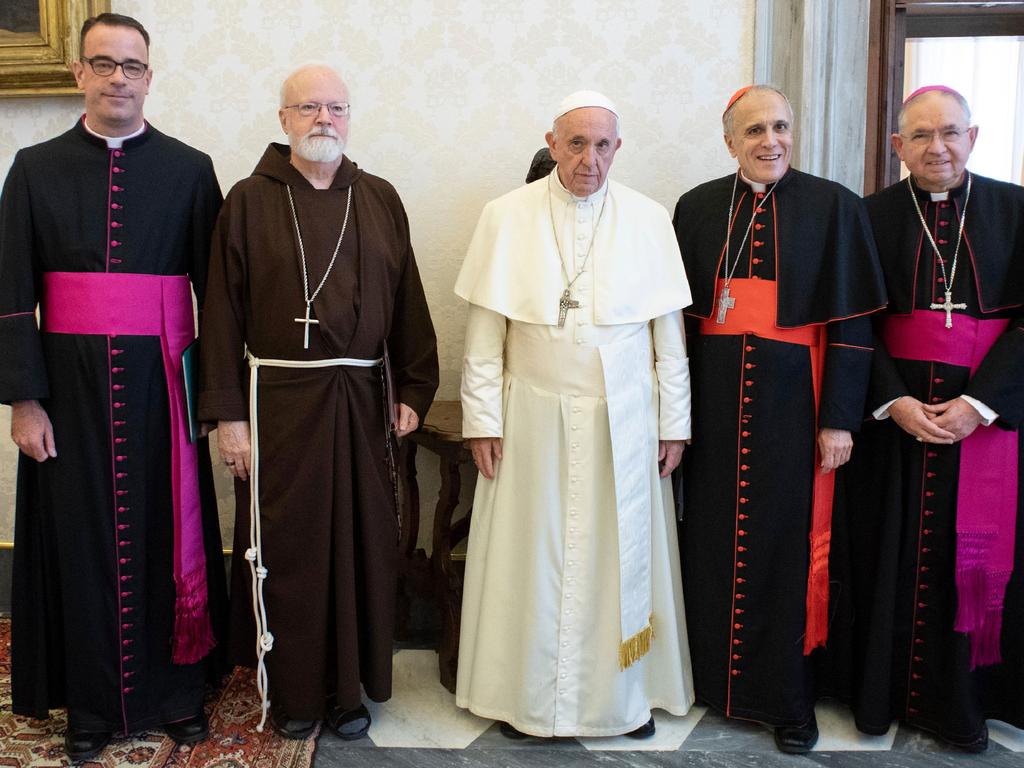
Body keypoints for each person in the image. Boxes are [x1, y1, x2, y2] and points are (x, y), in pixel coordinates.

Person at [0, 13, 226, 761]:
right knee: (80, 542)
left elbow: (216, 295)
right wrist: (24, 400)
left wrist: (215, 402)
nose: (117, 78)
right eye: (103, 64)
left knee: (172, 534)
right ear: (79, 75)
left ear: (149, 77)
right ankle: (91, 709)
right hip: (68, 393)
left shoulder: (191, 169)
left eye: (131, 65)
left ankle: (178, 695)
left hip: (165, 387)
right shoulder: (33, 167)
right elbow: (9, 292)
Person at [197, 63, 438, 741]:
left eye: (336, 107)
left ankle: (348, 688)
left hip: (362, 399)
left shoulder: (381, 198)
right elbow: (219, 314)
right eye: (308, 108)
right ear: (283, 120)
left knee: (362, 543)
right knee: (292, 550)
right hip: (276, 402)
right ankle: (298, 690)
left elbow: (408, 302)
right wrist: (229, 419)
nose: (323, 119)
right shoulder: (246, 200)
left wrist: (414, 388)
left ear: (350, 117)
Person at [454, 90, 695, 738]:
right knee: (530, 562)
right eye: (577, 143)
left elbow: (667, 337)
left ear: (618, 148)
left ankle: (622, 700)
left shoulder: (647, 220)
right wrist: (482, 419)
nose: (590, 158)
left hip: (624, 418)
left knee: (620, 560)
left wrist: (675, 423)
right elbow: (484, 334)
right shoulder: (505, 217)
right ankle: (525, 699)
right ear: (553, 143)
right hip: (531, 417)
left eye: (604, 144)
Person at [672, 85, 887, 752]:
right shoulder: (698, 207)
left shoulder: (834, 207)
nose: (772, 141)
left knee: (786, 552)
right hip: (712, 407)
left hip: (796, 410)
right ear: (730, 140)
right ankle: (712, 682)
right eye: (756, 129)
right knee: (709, 541)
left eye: (783, 127)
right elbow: (674, 324)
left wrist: (840, 420)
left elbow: (852, 326)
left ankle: (788, 700)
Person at [844, 85, 1024, 752]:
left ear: (972, 137)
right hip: (898, 426)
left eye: (949, 132)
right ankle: (881, 697)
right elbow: (856, 320)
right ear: (898, 148)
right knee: (888, 557)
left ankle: (968, 701)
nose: (936, 147)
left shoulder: (1015, 208)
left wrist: (981, 405)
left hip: (988, 424)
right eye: (920, 136)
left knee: (971, 562)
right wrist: (894, 402)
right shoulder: (869, 216)